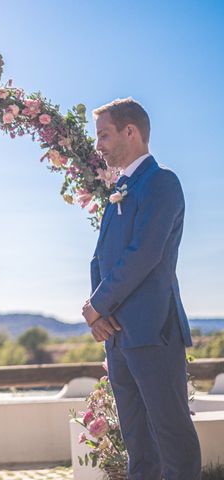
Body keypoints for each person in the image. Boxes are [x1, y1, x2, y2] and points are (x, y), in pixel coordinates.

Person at [82, 98, 201, 479]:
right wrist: (97, 316)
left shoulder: (162, 183)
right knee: (138, 447)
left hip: (153, 332)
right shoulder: (120, 188)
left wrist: (97, 304)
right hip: (116, 336)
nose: (98, 144)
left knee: (172, 438)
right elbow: (100, 257)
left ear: (130, 132)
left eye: (104, 135)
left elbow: (143, 254)